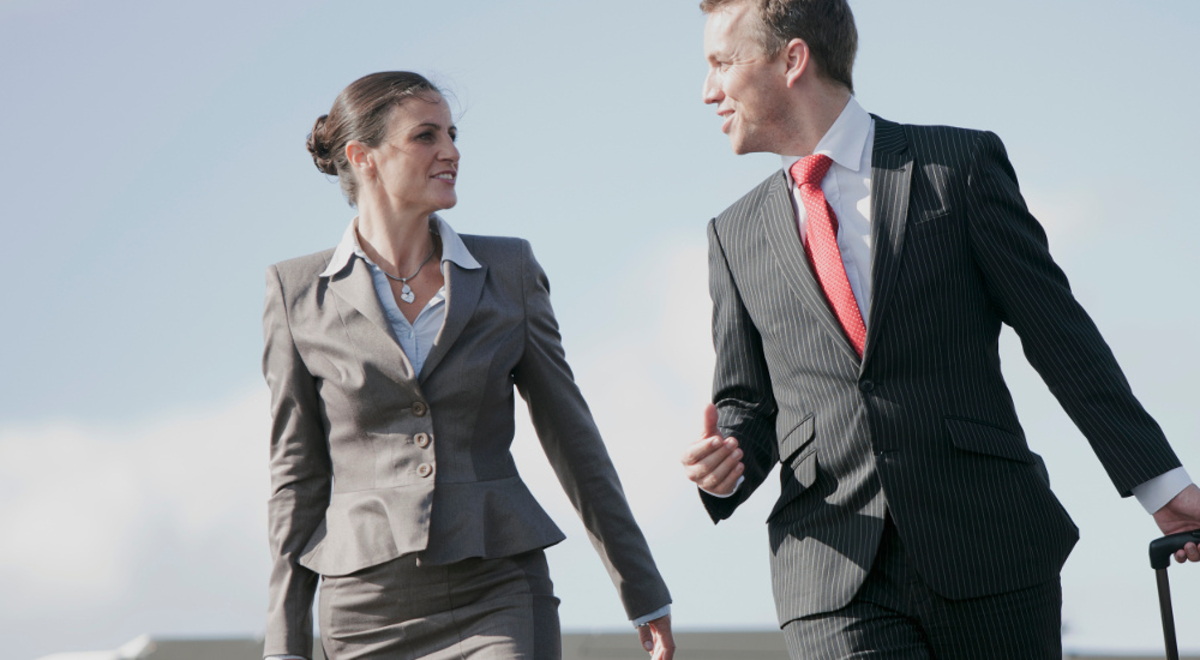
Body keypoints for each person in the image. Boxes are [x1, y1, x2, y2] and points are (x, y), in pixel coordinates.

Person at [678, 1, 1200, 658]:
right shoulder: (734, 236)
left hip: (990, 551)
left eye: (721, 63)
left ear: (792, 59)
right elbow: (748, 407)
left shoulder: (959, 165)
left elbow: (1060, 335)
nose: (707, 91)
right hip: (832, 578)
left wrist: (1161, 483)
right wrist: (726, 462)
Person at [261, 71, 674, 660]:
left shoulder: (509, 270)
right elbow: (296, 478)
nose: (451, 151)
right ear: (364, 157)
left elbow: (574, 441)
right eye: (425, 136)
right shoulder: (296, 291)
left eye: (452, 134)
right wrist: (285, 642)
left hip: (496, 589)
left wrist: (642, 590)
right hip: (364, 609)